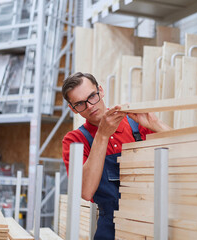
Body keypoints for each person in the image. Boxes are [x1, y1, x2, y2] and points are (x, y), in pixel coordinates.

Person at [61, 72, 171, 240]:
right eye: (80, 104)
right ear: (73, 108)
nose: (90, 106)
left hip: (150, 222)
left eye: (92, 96)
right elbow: (86, 191)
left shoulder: (136, 124)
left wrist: (156, 124)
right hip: (110, 228)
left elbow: (185, 153)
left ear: (101, 91)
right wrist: (102, 136)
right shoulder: (75, 140)